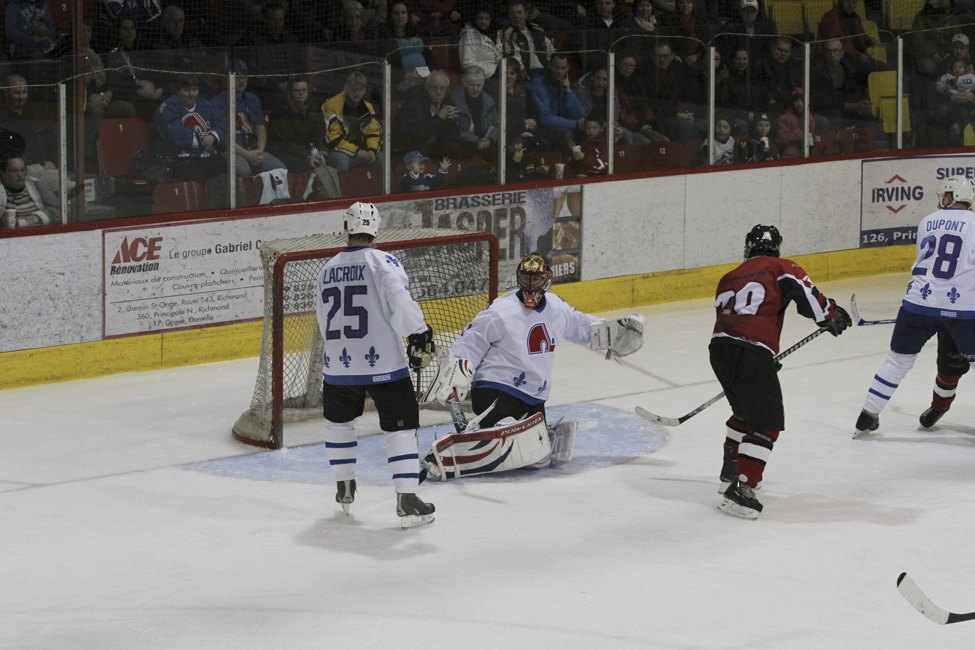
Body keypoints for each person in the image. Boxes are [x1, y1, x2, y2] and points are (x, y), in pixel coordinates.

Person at [419, 253, 645, 479]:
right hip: (496, 390)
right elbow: (470, 342)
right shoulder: (501, 311)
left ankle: (497, 439)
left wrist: (611, 333)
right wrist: (454, 377)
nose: (529, 285)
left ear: (547, 280)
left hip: (533, 396)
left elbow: (580, 325)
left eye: (535, 279)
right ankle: (446, 455)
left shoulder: (557, 308)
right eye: (525, 278)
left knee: (540, 460)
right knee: (514, 443)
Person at [713, 225, 851, 519]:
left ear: (749, 246)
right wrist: (831, 315)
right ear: (777, 247)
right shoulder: (782, 267)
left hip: (719, 350)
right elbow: (809, 296)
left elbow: (741, 316)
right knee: (766, 424)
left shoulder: (729, 276)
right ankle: (742, 488)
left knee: (744, 412)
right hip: (750, 351)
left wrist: (762, 355)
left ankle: (731, 468)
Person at [314, 201, 437, 528]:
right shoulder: (384, 262)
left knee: (339, 424)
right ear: (375, 228)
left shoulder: (326, 268)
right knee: (402, 427)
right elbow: (400, 302)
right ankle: (407, 499)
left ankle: (344, 488)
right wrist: (419, 334)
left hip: (338, 367)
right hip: (383, 363)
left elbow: (321, 319)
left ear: (347, 227)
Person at [855, 176, 975, 438]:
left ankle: (867, 414)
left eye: (943, 195)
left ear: (950, 196)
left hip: (918, 303)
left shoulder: (927, 221)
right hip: (962, 308)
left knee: (897, 362)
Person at [211, 60, 287, 178]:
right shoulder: (217, 103)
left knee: (280, 169)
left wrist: (260, 151)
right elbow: (224, 140)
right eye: (237, 77)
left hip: (253, 150)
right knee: (243, 170)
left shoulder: (253, 99)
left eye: (244, 76)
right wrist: (247, 155)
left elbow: (260, 128)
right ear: (227, 79)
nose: (241, 81)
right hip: (230, 152)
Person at [152, 74, 227, 184]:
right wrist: (203, 141)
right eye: (186, 90)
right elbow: (175, 134)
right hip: (179, 159)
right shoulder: (169, 107)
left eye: (194, 90)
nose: (191, 94)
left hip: (206, 156)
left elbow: (220, 125)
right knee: (195, 176)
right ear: (178, 91)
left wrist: (212, 138)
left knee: (224, 170)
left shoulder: (206, 105)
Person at [103, 16, 165, 121]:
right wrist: (137, 91)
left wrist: (160, 88)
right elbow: (115, 83)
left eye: (132, 28)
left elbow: (155, 73)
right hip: (129, 97)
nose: (129, 32)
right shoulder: (113, 55)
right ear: (118, 31)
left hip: (151, 92)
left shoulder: (144, 52)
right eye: (125, 28)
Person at [391, 69, 462, 159]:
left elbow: (453, 136)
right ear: (426, 87)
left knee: (454, 149)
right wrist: (439, 118)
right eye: (434, 88)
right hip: (407, 143)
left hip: (432, 141)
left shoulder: (447, 100)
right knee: (421, 149)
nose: (438, 92)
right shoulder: (415, 102)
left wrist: (452, 121)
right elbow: (418, 135)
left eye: (442, 88)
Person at [320, 71, 381, 174]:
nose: (357, 93)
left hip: (359, 151)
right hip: (335, 151)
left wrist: (372, 150)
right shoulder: (331, 105)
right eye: (353, 89)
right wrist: (357, 151)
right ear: (346, 88)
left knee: (381, 158)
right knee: (342, 160)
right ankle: (345, 189)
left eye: (360, 89)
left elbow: (373, 133)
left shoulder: (368, 107)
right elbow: (333, 139)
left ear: (365, 90)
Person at [527, 52, 588, 152]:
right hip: (540, 130)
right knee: (566, 133)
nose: (559, 71)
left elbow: (580, 115)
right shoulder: (539, 83)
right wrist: (576, 124)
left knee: (591, 131)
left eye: (563, 68)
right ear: (550, 65)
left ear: (568, 68)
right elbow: (546, 119)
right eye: (556, 67)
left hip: (561, 125)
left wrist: (569, 93)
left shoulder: (566, 83)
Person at [265, 77, 328, 174]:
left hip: (307, 151)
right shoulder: (281, 111)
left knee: (331, 162)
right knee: (307, 167)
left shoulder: (314, 108)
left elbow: (320, 135)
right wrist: (308, 155)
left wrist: (320, 153)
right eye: (297, 90)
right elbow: (286, 143)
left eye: (304, 90)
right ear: (291, 92)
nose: (301, 93)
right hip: (285, 152)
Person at [382, 1, 437, 98]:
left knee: (444, 90)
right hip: (402, 82)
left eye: (403, 12)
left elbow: (429, 56)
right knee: (420, 93)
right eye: (396, 13)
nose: (400, 16)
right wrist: (404, 75)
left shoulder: (418, 32)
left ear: (408, 15)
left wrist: (434, 73)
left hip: (425, 78)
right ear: (390, 16)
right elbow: (384, 65)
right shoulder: (385, 38)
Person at [451, 66, 499, 159]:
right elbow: (454, 129)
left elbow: (497, 125)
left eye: (478, 85)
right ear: (464, 84)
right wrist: (476, 140)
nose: (475, 89)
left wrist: (489, 140)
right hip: (465, 144)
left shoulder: (489, 101)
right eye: (471, 85)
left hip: (486, 144)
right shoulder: (454, 99)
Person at [0, 153, 59, 226]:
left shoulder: (37, 185)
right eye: (13, 171)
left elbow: (58, 209)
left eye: (23, 170)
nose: (20, 174)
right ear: (2, 172)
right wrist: (19, 224)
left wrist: (38, 218)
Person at [502, 0, 554, 77]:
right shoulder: (508, 34)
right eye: (512, 13)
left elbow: (550, 50)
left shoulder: (537, 29)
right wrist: (525, 77)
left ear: (526, 14)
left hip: (545, 71)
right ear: (509, 15)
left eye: (519, 13)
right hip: (528, 74)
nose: (516, 16)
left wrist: (553, 71)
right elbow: (514, 59)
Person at [933, 57, 975, 143]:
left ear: (965, 68)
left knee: (966, 111)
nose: (957, 69)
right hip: (953, 102)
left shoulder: (970, 77)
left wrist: (972, 95)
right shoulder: (948, 77)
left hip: (967, 101)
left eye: (960, 67)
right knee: (950, 112)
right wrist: (948, 83)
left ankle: (964, 134)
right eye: (955, 68)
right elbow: (939, 87)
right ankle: (955, 128)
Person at [458, 6, 502, 82]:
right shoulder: (468, 36)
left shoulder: (497, 35)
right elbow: (468, 63)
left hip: (499, 76)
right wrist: (491, 72)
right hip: (478, 80)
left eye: (487, 18)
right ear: (474, 19)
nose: (483, 22)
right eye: (480, 18)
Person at [775, 87, 813, 158]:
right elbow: (782, 138)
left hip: (806, 153)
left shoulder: (809, 116)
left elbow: (811, 133)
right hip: (790, 156)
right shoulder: (785, 118)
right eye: (796, 101)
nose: (799, 104)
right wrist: (801, 131)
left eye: (802, 101)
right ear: (792, 103)